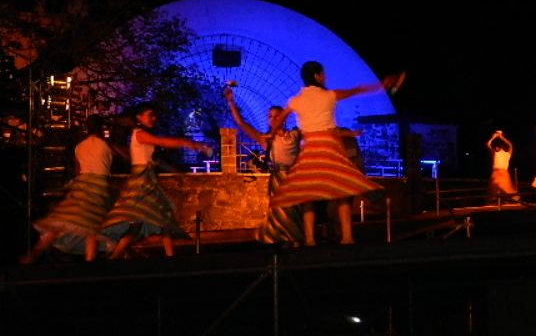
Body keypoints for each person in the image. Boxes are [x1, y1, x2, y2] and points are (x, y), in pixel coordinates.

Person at [267, 61, 401, 246]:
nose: (325, 77)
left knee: (306, 194)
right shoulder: (329, 95)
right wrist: (380, 86)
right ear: (316, 76)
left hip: (310, 150)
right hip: (330, 148)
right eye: (323, 74)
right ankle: (347, 236)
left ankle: (310, 239)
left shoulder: (295, 101)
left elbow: (277, 121)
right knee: (342, 190)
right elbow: (356, 90)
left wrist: (272, 134)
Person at [101, 102, 210, 259]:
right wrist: (188, 143)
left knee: (159, 219)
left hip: (148, 181)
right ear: (139, 117)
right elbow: (162, 142)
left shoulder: (143, 135)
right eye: (149, 115)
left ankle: (166, 256)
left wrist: (177, 171)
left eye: (154, 115)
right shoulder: (139, 134)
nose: (153, 118)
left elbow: (155, 161)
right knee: (146, 220)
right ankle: (116, 255)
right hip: (141, 182)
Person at [19, 115, 116, 264]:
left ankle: (34, 253)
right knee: (92, 225)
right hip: (98, 187)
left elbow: (78, 171)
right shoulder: (106, 145)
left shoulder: (80, 147)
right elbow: (109, 166)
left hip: (82, 185)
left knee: (63, 220)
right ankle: (90, 262)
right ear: (102, 128)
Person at [223, 87, 305, 245]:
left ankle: (296, 240)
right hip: (279, 178)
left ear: (283, 118)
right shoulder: (266, 139)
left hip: (295, 177)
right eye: (270, 116)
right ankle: (283, 240)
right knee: (281, 212)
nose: (273, 119)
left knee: (294, 210)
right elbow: (241, 123)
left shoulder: (294, 134)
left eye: (276, 116)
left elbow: (311, 124)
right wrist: (231, 101)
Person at [486, 130, 517, 204]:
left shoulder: (507, 154)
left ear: (500, 147)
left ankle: (505, 202)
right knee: (495, 191)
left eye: (497, 147)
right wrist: (493, 137)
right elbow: (488, 144)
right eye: (496, 147)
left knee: (505, 191)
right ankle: (496, 203)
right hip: (496, 173)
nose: (496, 148)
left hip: (503, 173)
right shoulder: (495, 153)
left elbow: (510, 145)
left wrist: (502, 137)